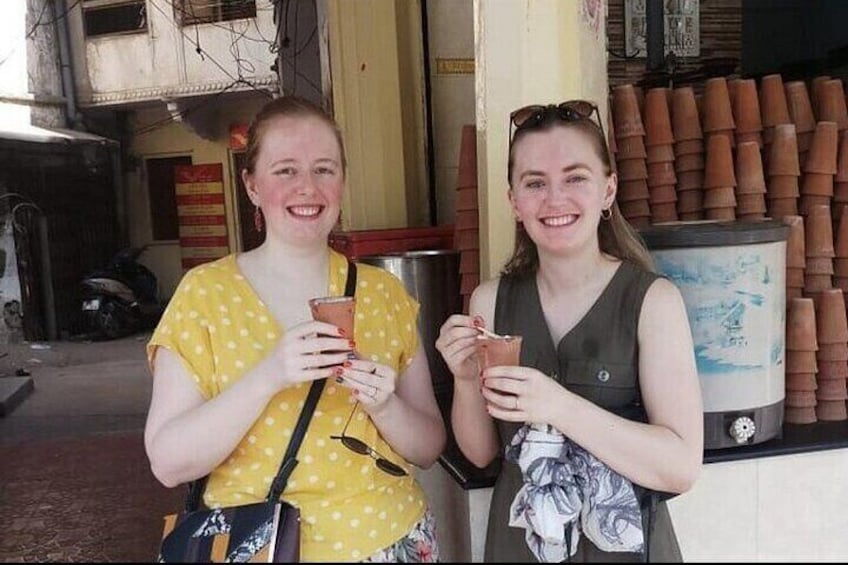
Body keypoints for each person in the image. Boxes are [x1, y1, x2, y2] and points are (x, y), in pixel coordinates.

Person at [144, 95, 446, 562]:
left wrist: (385, 406)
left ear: (342, 181)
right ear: (252, 185)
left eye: (324, 169)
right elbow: (168, 462)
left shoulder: (384, 295)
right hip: (256, 546)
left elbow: (428, 447)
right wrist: (269, 376)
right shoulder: (204, 294)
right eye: (285, 170)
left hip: (391, 541)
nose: (307, 187)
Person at [435, 100, 703, 562]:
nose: (554, 199)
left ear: (608, 190)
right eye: (535, 183)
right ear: (514, 202)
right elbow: (482, 454)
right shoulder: (490, 301)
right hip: (520, 547)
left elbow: (679, 467)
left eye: (575, 178)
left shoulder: (652, 301)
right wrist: (462, 377)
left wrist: (558, 406)